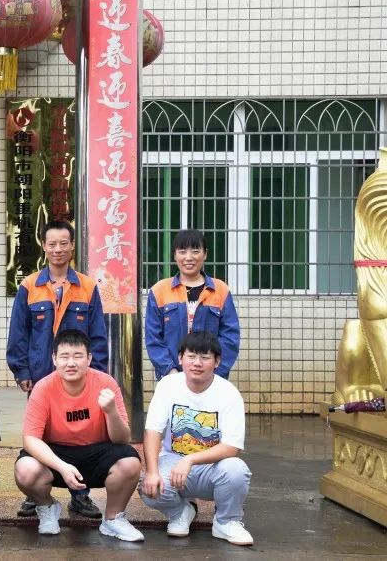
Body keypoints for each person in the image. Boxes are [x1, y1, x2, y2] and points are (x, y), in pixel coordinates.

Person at [6, 219, 108, 519]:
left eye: (64, 243)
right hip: (40, 377)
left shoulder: (87, 286)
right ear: (44, 246)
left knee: (81, 433)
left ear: (72, 245)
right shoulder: (29, 286)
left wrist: (97, 374)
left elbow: (98, 335)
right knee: (39, 433)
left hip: (80, 378)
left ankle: (81, 494)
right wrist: (21, 371)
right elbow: (18, 333)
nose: (58, 249)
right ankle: (36, 493)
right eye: (52, 244)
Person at [14, 329, 144, 542]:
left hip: (97, 453)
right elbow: (30, 439)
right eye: (64, 356)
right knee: (25, 470)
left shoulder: (106, 383)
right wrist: (62, 467)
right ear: (54, 359)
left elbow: (122, 439)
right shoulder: (43, 387)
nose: (71, 363)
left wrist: (111, 412)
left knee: (130, 462)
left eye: (78, 356)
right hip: (56, 453)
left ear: (89, 358)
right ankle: (47, 507)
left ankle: (113, 519)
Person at [140, 332, 254, 546]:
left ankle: (226, 522)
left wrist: (190, 459)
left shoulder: (229, 393)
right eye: (191, 356)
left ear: (217, 362)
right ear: (180, 358)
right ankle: (180, 512)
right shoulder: (167, 385)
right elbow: (153, 431)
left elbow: (232, 447)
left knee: (236, 470)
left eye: (205, 357)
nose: (197, 363)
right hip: (173, 464)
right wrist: (152, 472)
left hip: (212, 467)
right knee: (148, 487)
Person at [145, 229, 240, 380]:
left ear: (205, 254)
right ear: (174, 255)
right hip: (172, 378)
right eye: (182, 252)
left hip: (211, 379)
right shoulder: (159, 291)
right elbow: (153, 339)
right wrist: (171, 373)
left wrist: (214, 373)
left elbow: (230, 337)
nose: (188, 258)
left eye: (195, 251)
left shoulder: (220, 290)